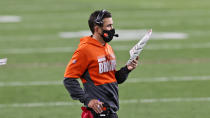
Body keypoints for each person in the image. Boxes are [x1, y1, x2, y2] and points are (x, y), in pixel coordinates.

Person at [63, 9, 138, 118]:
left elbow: (113, 79)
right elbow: (68, 79)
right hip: (97, 112)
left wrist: (127, 69)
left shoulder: (108, 48)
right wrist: (87, 100)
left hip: (110, 111)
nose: (112, 29)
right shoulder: (85, 50)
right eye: (109, 26)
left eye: (112, 25)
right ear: (97, 29)